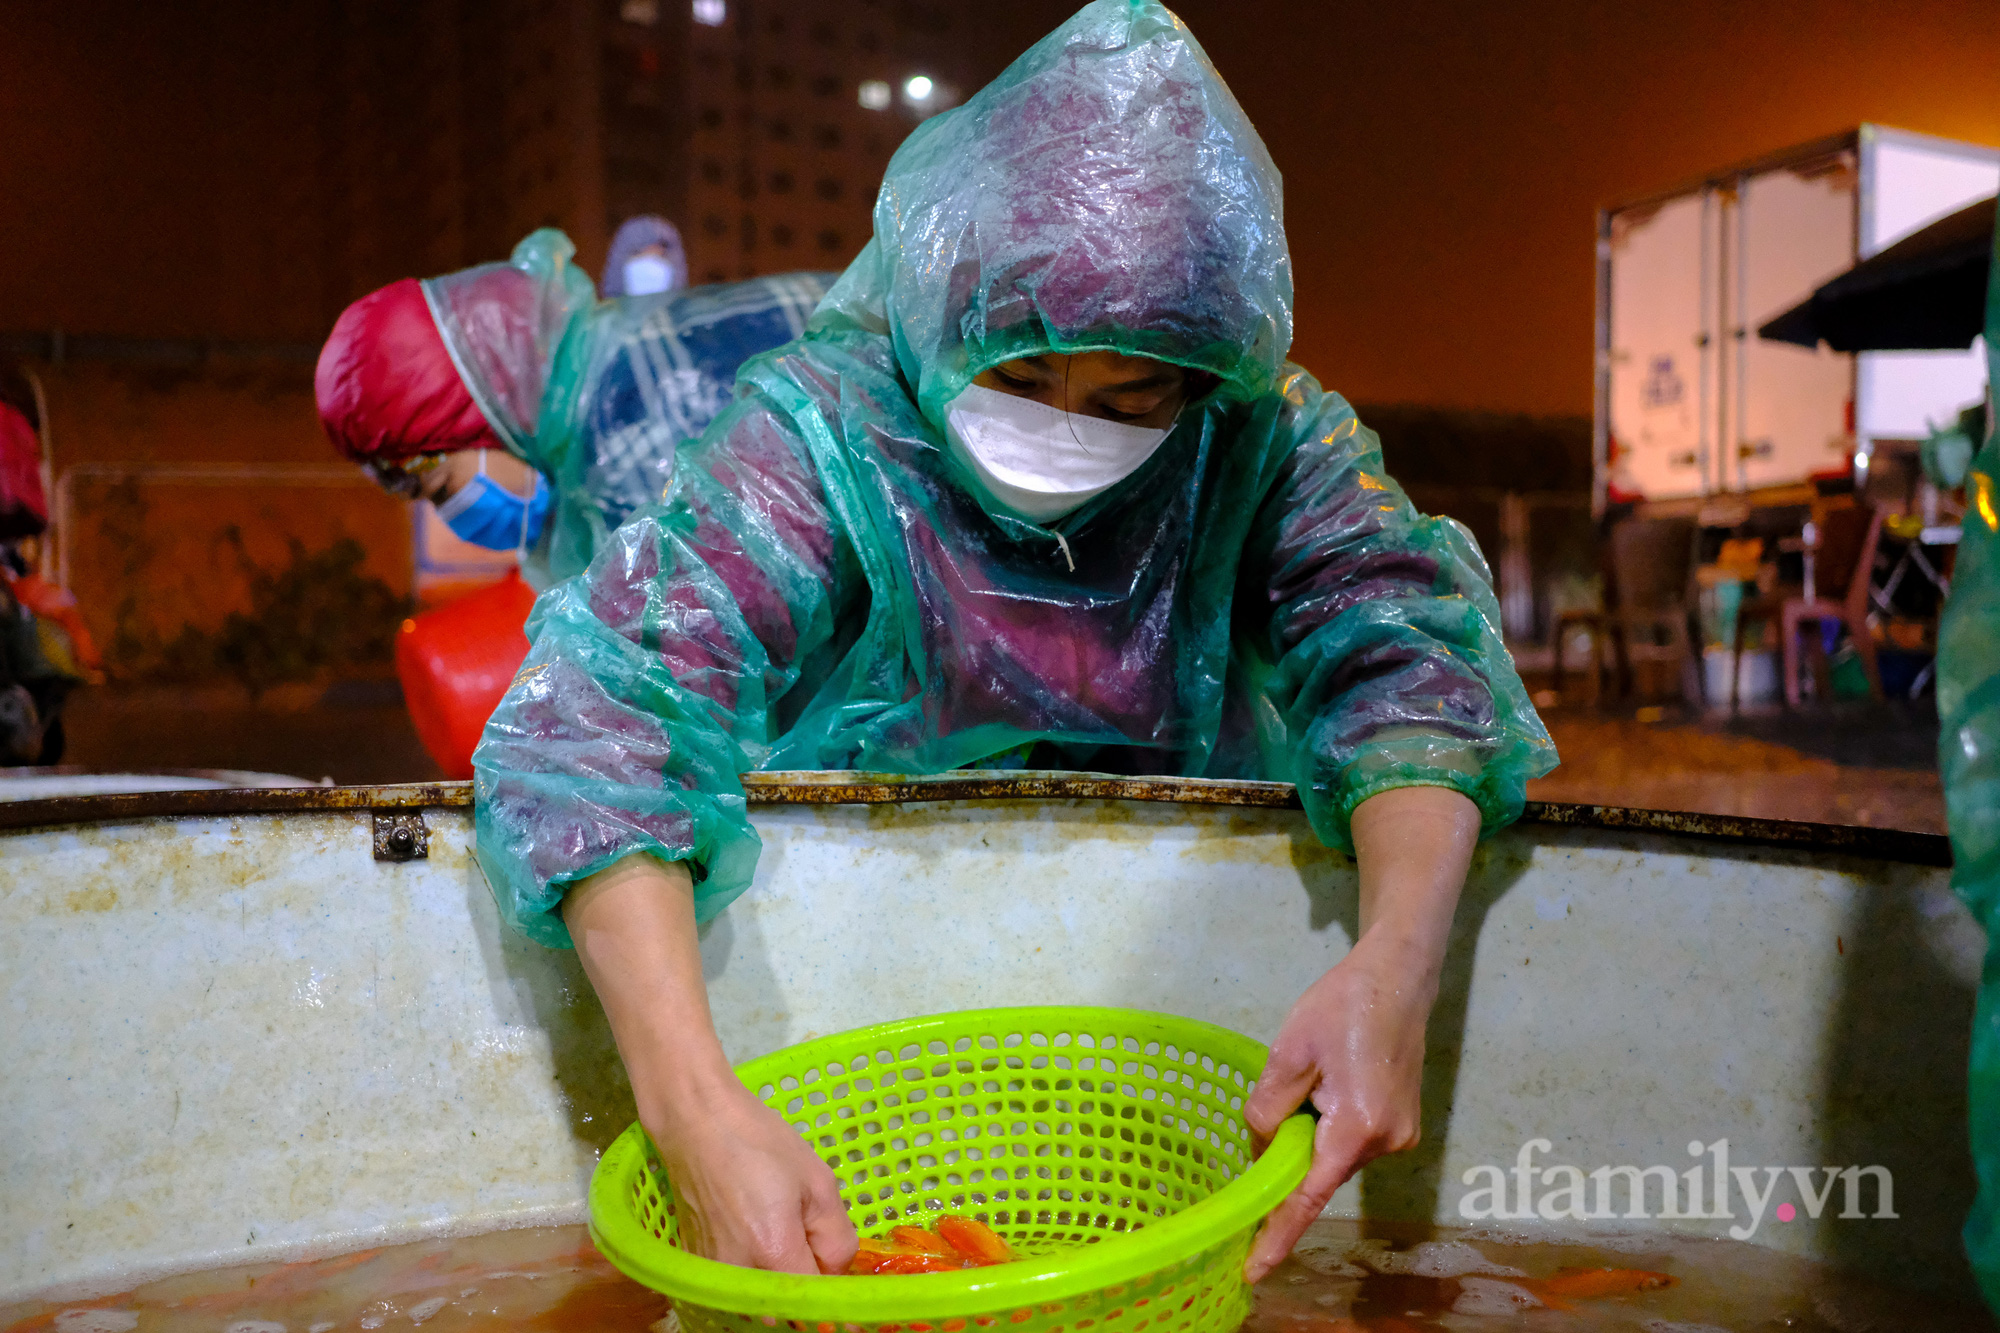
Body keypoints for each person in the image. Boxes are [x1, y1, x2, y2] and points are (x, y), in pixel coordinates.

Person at [473, 0, 1556, 1281]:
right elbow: (607, 714)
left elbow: (1406, 664)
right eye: (1020, 376)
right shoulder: (831, 437)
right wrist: (695, 1110)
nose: (1063, 430)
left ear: (1203, 379)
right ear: (937, 308)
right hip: (853, 993)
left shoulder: (1259, 440)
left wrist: (1394, 958)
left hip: (1166, 1012)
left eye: (1129, 396)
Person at [316, 231, 835, 586]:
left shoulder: (622, 441)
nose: (458, 515)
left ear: (489, 415)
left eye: (443, 488)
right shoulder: (628, 350)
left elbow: (693, 680)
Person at [601, 215, 689, 298]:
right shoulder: (607, 313)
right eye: (637, 253)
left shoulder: (695, 313)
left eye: (660, 256)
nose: (650, 263)